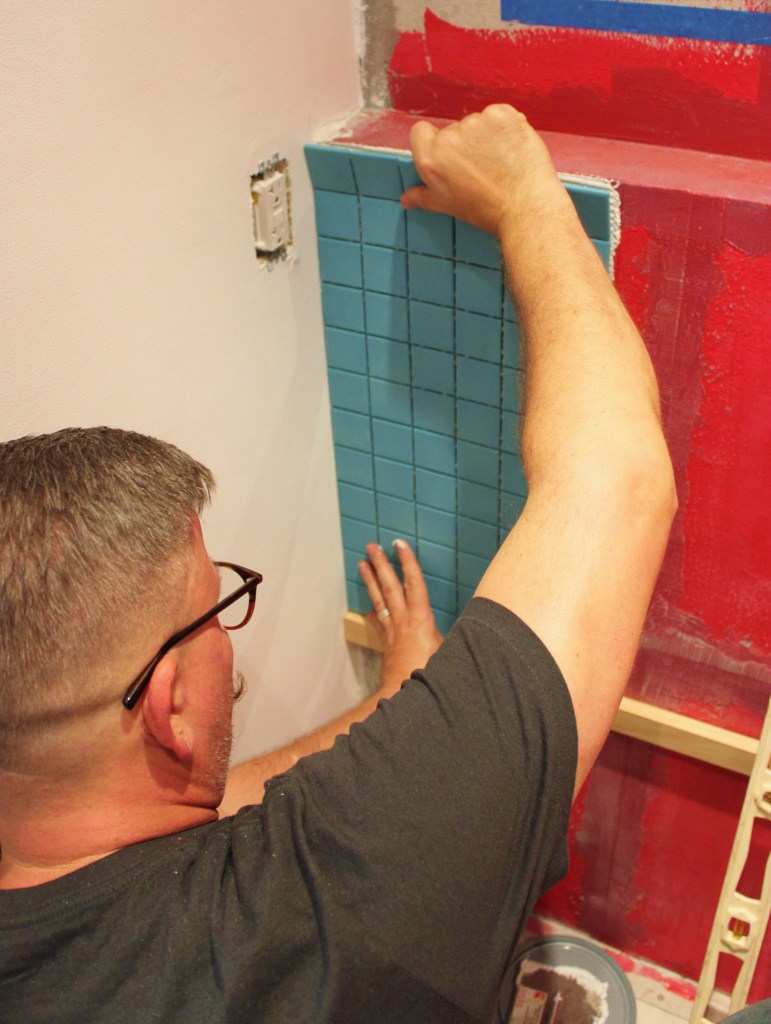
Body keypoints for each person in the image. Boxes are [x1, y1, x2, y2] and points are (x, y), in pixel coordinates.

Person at [0, 105, 677, 1023]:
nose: (227, 639)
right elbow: (618, 483)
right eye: (216, 610)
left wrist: (388, 702)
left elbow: (183, 820)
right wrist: (526, 196)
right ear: (170, 707)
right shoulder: (331, 905)